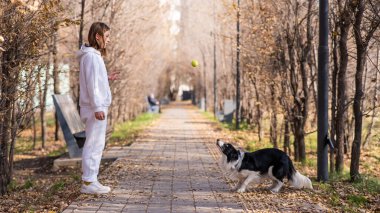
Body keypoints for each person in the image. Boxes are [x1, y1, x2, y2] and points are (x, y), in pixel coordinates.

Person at [77, 22, 115, 194]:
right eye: (106, 36)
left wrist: (106, 77)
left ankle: (92, 179)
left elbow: (94, 80)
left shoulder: (92, 55)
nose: (108, 40)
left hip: (94, 106)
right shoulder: (91, 56)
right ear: (97, 36)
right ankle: (88, 182)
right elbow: (92, 86)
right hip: (94, 108)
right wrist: (98, 107)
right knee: (93, 144)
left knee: (97, 144)